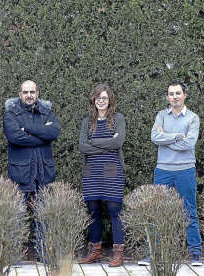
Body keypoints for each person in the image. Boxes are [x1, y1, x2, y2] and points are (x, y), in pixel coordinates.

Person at [139, 79, 202, 266]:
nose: (174, 97)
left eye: (178, 93)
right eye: (171, 94)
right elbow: (154, 137)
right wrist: (177, 137)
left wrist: (166, 139)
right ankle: (153, 255)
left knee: (189, 212)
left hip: (185, 170)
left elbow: (189, 144)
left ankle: (196, 254)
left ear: (184, 95)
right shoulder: (161, 115)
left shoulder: (193, 118)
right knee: (157, 211)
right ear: (167, 97)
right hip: (163, 170)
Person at [3, 80, 61, 263]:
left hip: (43, 173)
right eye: (25, 92)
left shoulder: (46, 111)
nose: (29, 95)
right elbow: (15, 137)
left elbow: (54, 131)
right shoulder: (11, 114)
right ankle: (14, 256)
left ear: (37, 93)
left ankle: (43, 254)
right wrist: (42, 136)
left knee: (43, 216)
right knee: (16, 216)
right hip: (21, 174)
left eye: (32, 92)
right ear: (20, 94)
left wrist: (28, 128)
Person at [78, 84, 126, 267]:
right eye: (98, 98)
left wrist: (94, 142)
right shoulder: (86, 122)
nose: (101, 101)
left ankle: (118, 253)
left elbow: (118, 142)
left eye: (104, 98)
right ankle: (94, 251)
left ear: (110, 100)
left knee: (115, 211)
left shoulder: (118, 119)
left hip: (112, 171)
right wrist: (108, 142)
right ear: (93, 100)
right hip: (91, 171)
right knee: (93, 212)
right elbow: (83, 147)